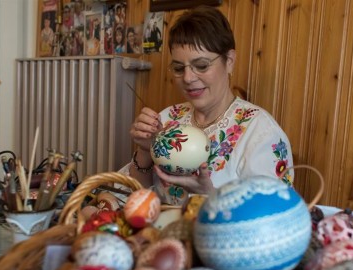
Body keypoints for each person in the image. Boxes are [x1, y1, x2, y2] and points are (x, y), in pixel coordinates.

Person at [123, 6, 294, 206]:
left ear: (229, 61)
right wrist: (145, 151)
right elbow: (136, 195)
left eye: (202, 66)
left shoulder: (262, 134)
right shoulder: (168, 118)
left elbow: (274, 218)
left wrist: (210, 195)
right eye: (179, 68)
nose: (187, 78)